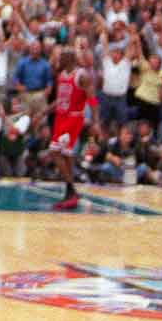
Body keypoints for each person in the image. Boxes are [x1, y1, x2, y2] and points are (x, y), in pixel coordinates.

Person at [48, 56, 92, 211]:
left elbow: (92, 99)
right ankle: (69, 192)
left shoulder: (82, 76)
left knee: (54, 152)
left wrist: (96, 122)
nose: (58, 60)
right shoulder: (61, 76)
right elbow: (60, 100)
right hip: (61, 118)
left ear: (70, 59)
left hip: (73, 119)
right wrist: (43, 112)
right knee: (66, 155)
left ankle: (71, 190)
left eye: (61, 57)